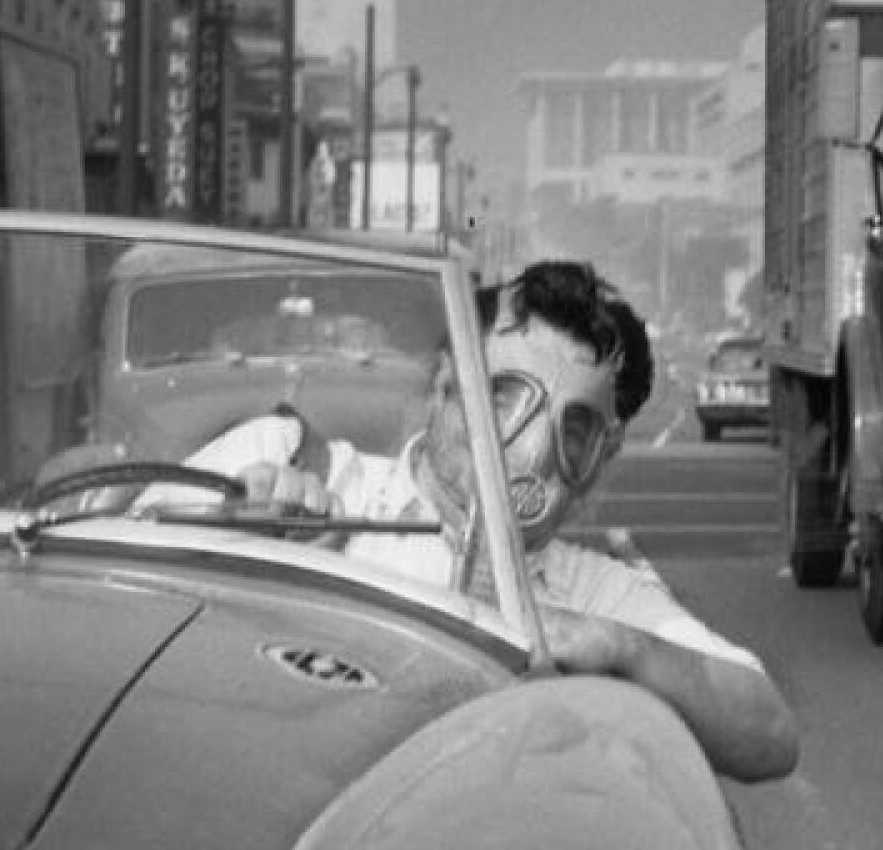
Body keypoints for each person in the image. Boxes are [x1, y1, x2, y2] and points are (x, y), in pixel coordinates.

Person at [148, 260, 800, 784]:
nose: (532, 450)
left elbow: (769, 733)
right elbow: (100, 601)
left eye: (574, 430)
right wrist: (230, 536)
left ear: (604, 457)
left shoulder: (591, 593)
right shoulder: (291, 460)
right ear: (443, 387)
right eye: (504, 399)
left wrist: (619, 647)